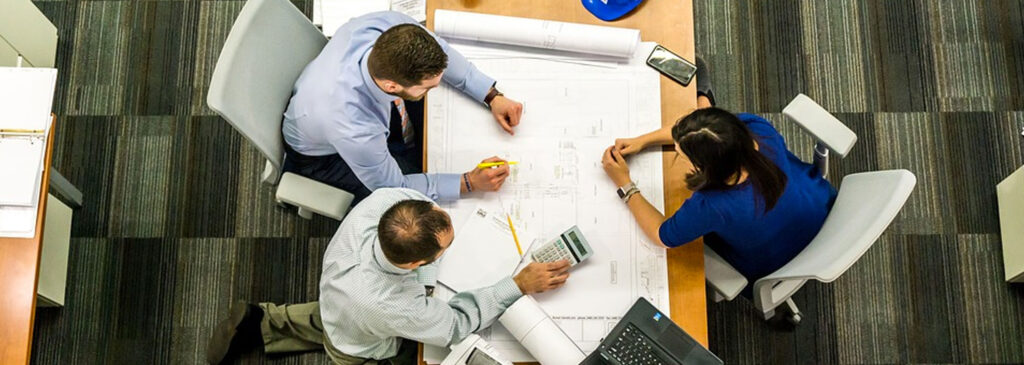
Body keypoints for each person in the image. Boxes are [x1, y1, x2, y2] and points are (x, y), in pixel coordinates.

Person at [206, 188, 571, 364]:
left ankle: (263, 321)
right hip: (358, 343)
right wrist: (517, 284)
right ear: (415, 264)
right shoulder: (395, 306)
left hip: (339, 296)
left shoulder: (385, 203)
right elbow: (455, 325)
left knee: (332, 316)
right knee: (353, 342)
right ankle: (265, 327)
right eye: (445, 248)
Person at [599, 58, 836, 295]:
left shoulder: (712, 205)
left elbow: (663, 235)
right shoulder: (757, 129)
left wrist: (624, 184)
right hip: (821, 207)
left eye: (682, 154)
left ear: (707, 168)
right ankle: (704, 100)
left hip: (776, 261)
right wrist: (643, 141)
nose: (677, 152)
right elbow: (706, 131)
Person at [282, 11, 525, 203]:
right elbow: (394, 187)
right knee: (413, 200)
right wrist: (469, 182)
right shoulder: (353, 127)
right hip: (323, 157)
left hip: (331, 102)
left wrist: (491, 95)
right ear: (391, 86)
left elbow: (443, 52)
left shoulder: (389, 27)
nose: (436, 88)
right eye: (428, 87)